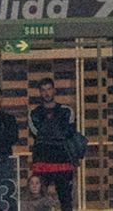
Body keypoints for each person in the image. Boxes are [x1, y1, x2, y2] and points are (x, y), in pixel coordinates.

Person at [29, 77, 84, 211]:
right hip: (42, 161)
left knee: (66, 200)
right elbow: (36, 133)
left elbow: (69, 132)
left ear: (54, 90)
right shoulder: (34, 113)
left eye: (49, 89)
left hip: (63, 161)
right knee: (39, 200)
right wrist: (57, 134)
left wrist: (49, 134)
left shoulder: (67, 110)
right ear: (39, 93)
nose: (47, 93)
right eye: (43, 90)